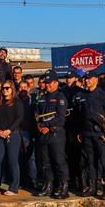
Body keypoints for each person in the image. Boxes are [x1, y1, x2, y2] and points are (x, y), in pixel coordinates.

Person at [74, 71, 105, 200]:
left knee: (103, 161)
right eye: (85, 79)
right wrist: (79, 132)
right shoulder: (81, 95)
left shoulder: (104, 96)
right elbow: (79, 116)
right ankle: (92, 186)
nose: (86, 81)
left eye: (89, 78)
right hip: (86, 134)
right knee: (90, 162)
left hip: (100, 134)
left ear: (96, 80)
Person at [35, 70, 69, 199]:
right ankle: (48, 186)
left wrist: (47, 127)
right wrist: (39, 125)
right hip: (43, 136)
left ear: (55, 83)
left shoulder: (61, 97)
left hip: (56, 135)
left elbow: (61, 118)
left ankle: (63, 187)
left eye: (49, 82)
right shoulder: (42, 97)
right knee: (46, 163)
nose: (47, 85)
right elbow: (37, 115)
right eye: (46, 82)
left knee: (59, 162)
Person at [0, 80, 24, 196]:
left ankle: (13, 188)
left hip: (12, 135)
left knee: (13, 161)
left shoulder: (17, 102)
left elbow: (19, 118)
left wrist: (9, 130)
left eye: (7, 88)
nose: (5, 90)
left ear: (12, 89)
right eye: (3, 88)